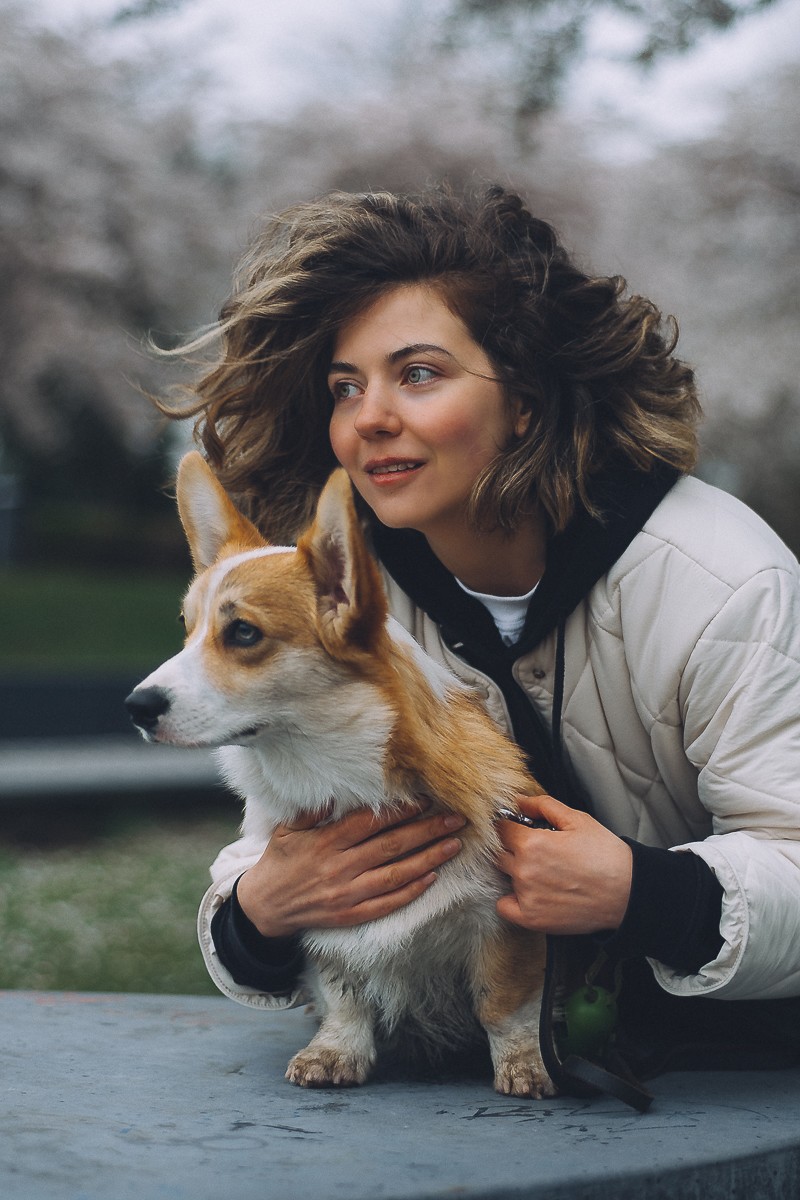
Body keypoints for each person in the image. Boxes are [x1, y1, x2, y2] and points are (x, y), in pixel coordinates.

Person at [159, 185, 800, 1053]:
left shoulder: (721, 579)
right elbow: (272, 840)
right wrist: (259, 912)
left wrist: (641, 894)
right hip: (462, 1089)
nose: (370, 417)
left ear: (527, 399)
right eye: (347, 387)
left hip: (737, 1073)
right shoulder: (337, 593)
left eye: (417, 374)